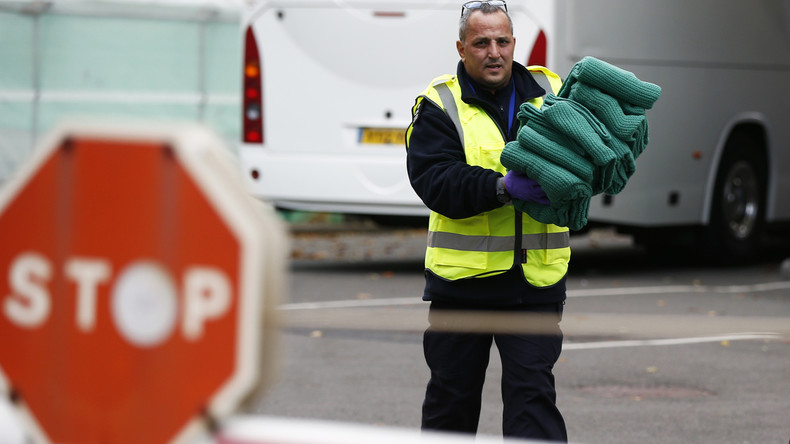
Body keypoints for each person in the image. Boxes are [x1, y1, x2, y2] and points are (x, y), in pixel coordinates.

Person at [404, 1, 570, 442]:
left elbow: (582, 159)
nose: (493, 51)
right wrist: (502, 187)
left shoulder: (550, 91)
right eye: (481, 42)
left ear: (514, 43)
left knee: (533, 402)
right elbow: (434, 180)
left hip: (533, 284)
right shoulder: (439, 103)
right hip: (463, 287)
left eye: (502, 41)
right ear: (461, 48)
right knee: (451, 406)